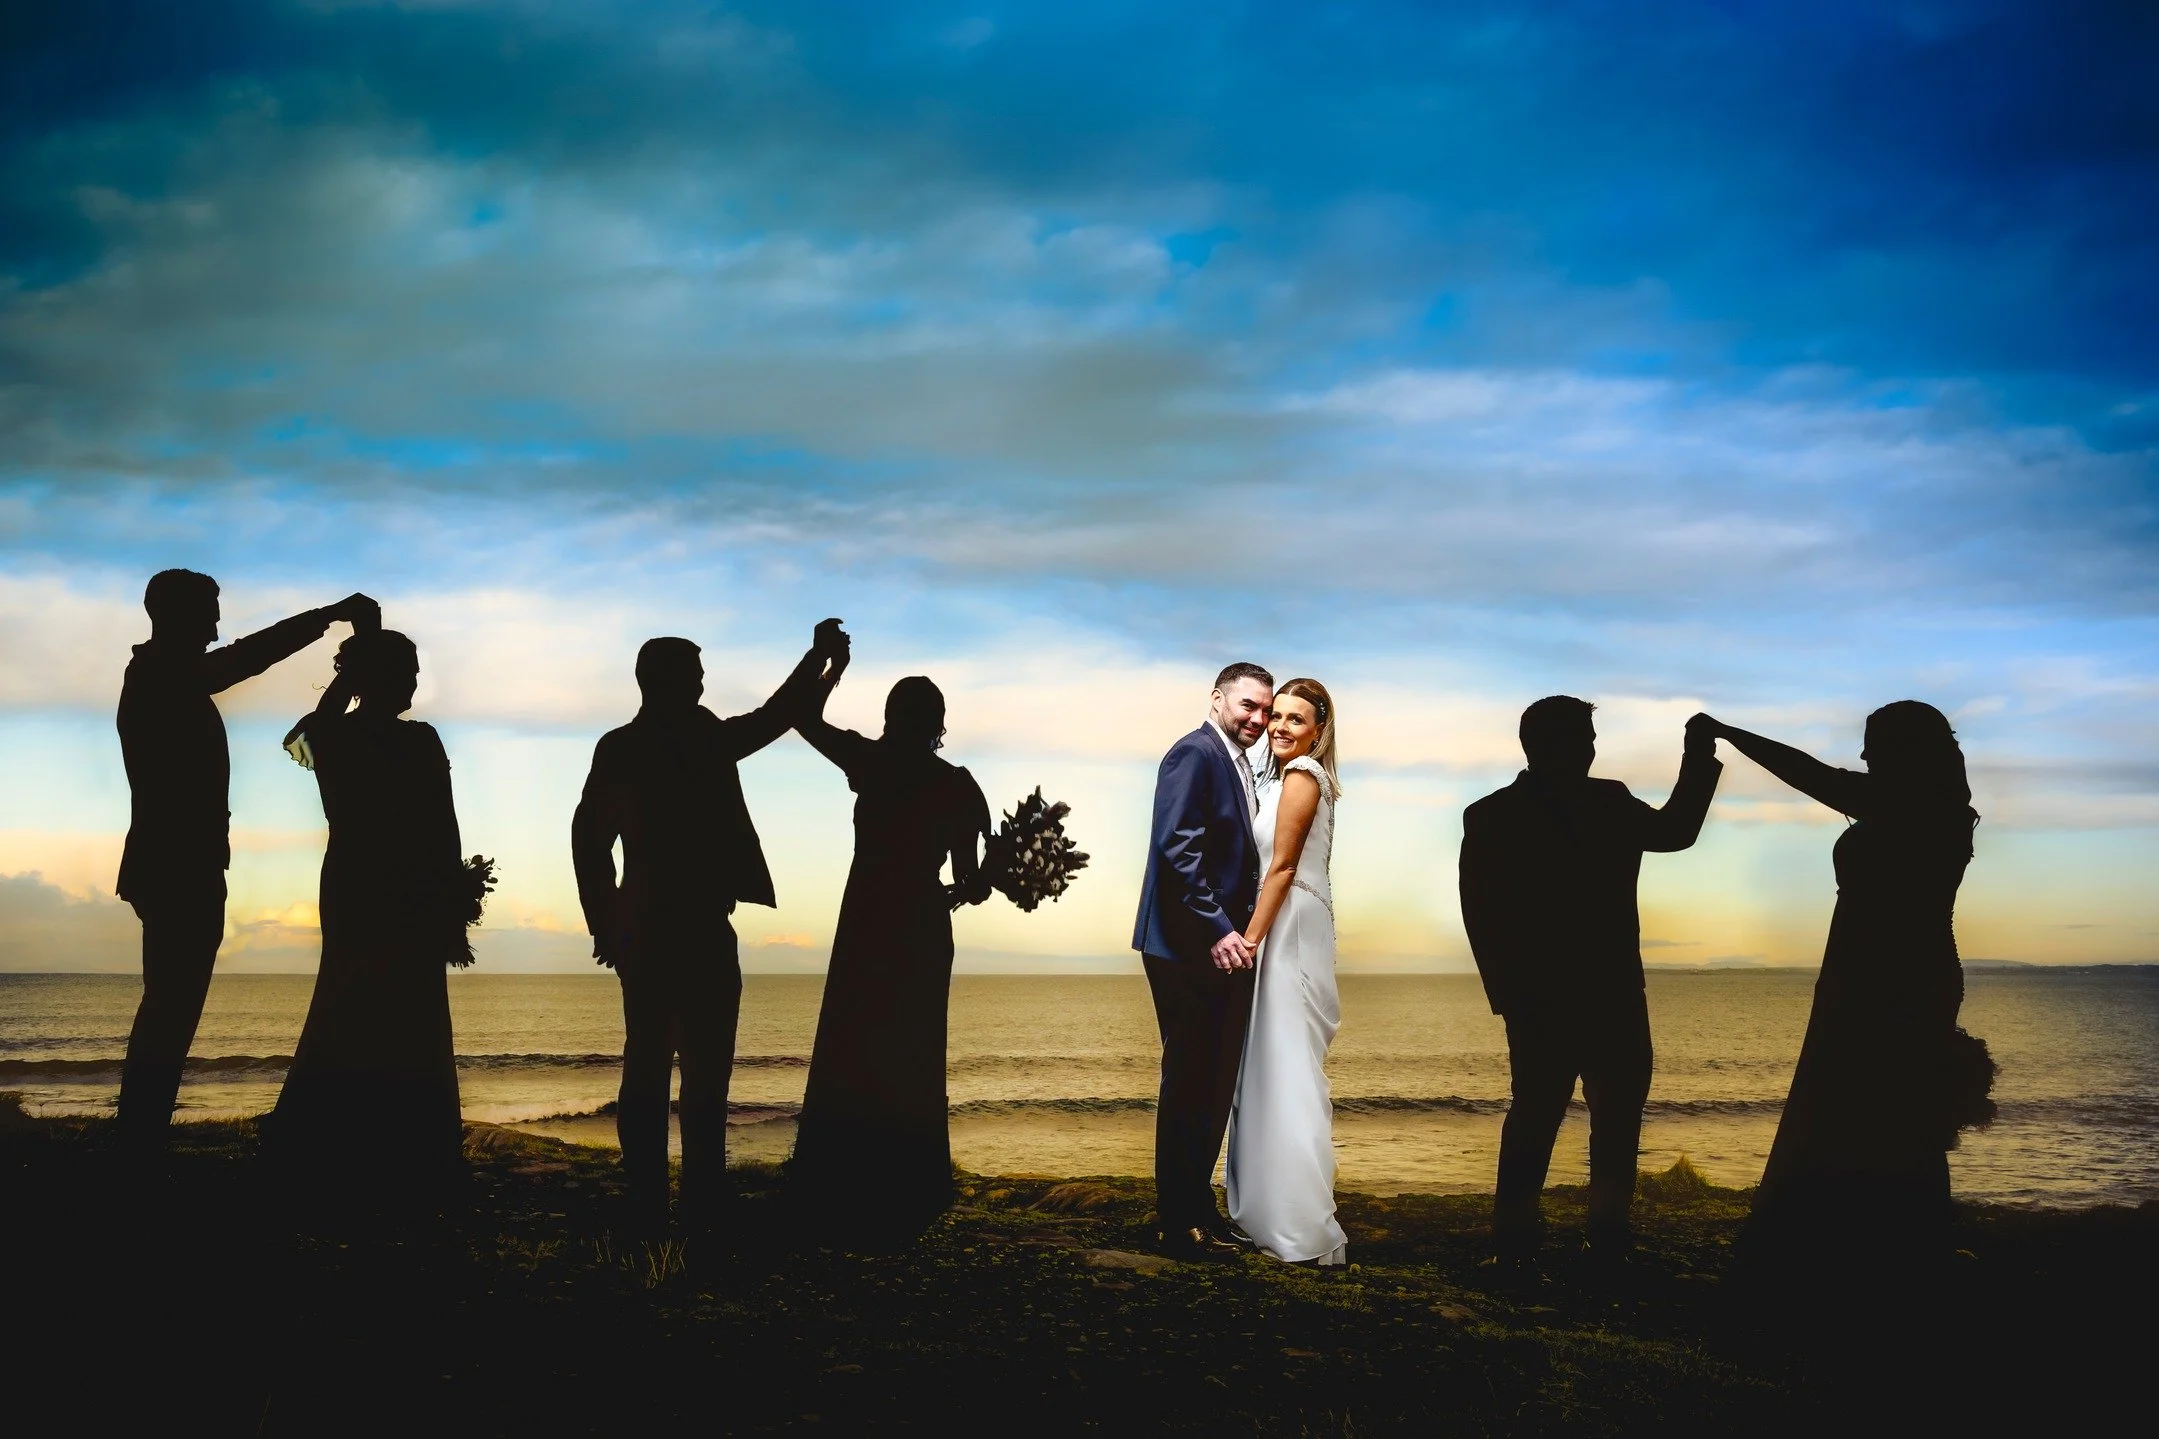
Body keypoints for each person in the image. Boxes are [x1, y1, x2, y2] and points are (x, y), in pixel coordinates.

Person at [1694, 704, 1988, 1273]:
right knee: (1863, 1103)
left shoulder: (1917, 808)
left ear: (1904, 752)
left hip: (1895, 973)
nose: (1863, 756)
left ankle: (1892, 1244)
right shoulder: (1934, 807)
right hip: (1872, 969)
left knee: (1893, 1105)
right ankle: (1871, 1237)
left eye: (1872, 745)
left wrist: (1731, 734)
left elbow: (1808, 774)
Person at [571, 622, 846, 1231]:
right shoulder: (665, 743)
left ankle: (677, 1193)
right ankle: (676, 1193)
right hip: (670, 923)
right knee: (674, 1063)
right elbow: (590, 838)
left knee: (680, 1063)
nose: (702, 681)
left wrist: (606, 921)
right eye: (693, 672)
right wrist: (604, 922)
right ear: (661, 679)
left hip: (665, 922)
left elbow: (589, 841)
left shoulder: (650, 742)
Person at [113, 568, 378, 1143]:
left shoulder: (165, 674)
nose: (214, 624)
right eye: (207, 610)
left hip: (182, 862)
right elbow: (247, 658)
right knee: (171, 1005)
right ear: (174, 614)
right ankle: (139, 1136)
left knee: (172, 1003)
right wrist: (326, 615)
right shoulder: (162, 673)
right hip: (176, 865)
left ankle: (141, 1131)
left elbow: (240, 659)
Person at [1459, 697, 1721, 1256]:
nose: (1592, 747)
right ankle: (1522, 1233)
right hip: (1557, 996)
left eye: (1591, 736)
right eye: (1582, 736)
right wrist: (1505, 995)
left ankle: (1600, 1231)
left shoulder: (1606, 800)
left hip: (1608, 991)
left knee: (1613, 1116)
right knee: (1540, 1114)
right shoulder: (1492, 814)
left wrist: (1698, 760)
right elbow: (1479, 911)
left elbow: (1675, 831)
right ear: (1541, 744)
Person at [787, 668, 994, 1247]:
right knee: (912, 1048)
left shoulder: (870, 762)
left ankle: (837, 1182)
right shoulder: (957, 785)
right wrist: (977, 885)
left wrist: (829, 672)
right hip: (920, 925)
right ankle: (908, 1184)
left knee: (851, 1042)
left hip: (866, 918)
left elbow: (803, 719)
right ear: (939, 722)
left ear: (890, 716)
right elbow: (969, 881)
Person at [267, 629, 468, 1189]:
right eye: (406, 672)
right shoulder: (407, 740)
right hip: (389, 885)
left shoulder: (335, 736)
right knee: (382, 1000)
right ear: (380, 679)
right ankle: (400, 1143)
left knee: (368, 998)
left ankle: (357, 1139)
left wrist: (451, 898)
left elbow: (300, 739)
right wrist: (450, 900)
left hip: (363, 882)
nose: (415, 683)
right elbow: (442, 827)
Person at [1134, 662, 1273, 1260]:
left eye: (1265, 711)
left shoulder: (1240, 763)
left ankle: (1199, 1208)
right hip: (1187, 947)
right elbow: (1177, 848)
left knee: (1214, 1082)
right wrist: (1219, 929)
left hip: (1221, 949)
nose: (1257, 719)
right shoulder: (1193, 754)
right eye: (1248, 705)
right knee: (1191, 1079)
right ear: (1218, 699)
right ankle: (1176, 1221)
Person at [1226, 678, 1348, 1266]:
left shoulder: (1303, 778)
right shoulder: (1283, 779)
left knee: (1288, 1063)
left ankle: (1297, 1222)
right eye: (1275, 715)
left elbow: (1281, 867)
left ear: (1318, 732)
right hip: (1287, 920)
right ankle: (1268, 1210)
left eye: (1295, 720)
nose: (1278, 726)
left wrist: (1249, 941)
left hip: (1288, 925)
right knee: (1272, 1063)